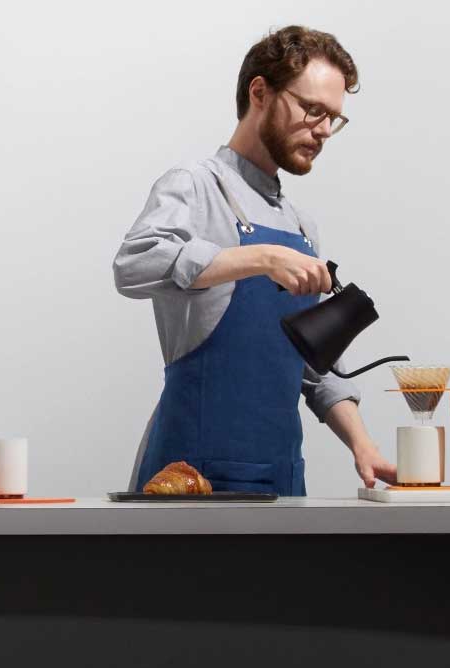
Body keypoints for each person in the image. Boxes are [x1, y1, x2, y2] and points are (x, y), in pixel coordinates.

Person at [113, 25, 396, 496]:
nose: (324, 130)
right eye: (313, 110)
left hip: (281, 478)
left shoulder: (301, 226)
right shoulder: (196, 184)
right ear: (260, 92)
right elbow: (132, 265)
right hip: (190, 476)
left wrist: (362, 446)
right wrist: (259, 258)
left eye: (334, 118)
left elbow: (316, 365)